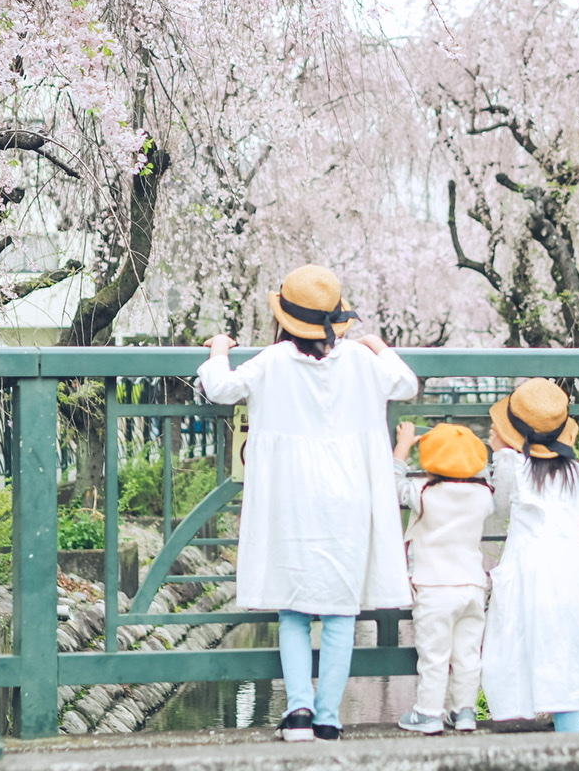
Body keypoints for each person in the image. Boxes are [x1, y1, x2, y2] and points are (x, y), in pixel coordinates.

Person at [198, 264, 418, 743]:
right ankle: (329, 717)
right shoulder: (361, 363)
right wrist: (378, 345)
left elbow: (220, 389)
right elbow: (406, 384)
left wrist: (218, 350)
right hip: (349, 501)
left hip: (290, 500)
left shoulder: (272, 361)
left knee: (293, 609)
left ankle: (297, 712)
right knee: (341, 611)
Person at [480, 377, 579, 734]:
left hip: (531, 565)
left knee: (520, 641)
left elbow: (501, 505)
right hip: (575, 566)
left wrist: (500, 452)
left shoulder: (512, 467)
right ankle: (570, 728)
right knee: (570, 644)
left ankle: (519, 720)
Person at [391, 421, 493, 735]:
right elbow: (483, 473)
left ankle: (428, 713)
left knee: (434, 655)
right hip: (473, 586)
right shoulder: (483, 495)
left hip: (434, 586)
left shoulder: (422, 491)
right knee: (467, 654)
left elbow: (390, 482)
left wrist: (404, 445)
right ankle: (464, 712)